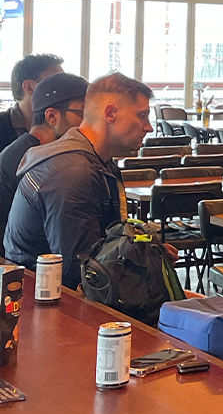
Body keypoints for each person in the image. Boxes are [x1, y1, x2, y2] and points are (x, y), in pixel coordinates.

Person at [5, 73, 153, 288]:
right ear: (110, 113)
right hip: (45, 303)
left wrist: (145, 251)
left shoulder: (98, 162)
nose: (148, 127)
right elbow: (79, 271)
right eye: (141, 115)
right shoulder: (73, 172)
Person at [0, 73, 87, 256]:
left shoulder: (35, 152)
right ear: (52, 117)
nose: (88, 123)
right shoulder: (28, 159)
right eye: (82, 112)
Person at [0, 54, 64, 153]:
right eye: (55, 82)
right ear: (29, 87)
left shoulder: (63, 125)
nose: (63, 90)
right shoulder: (2, 125)